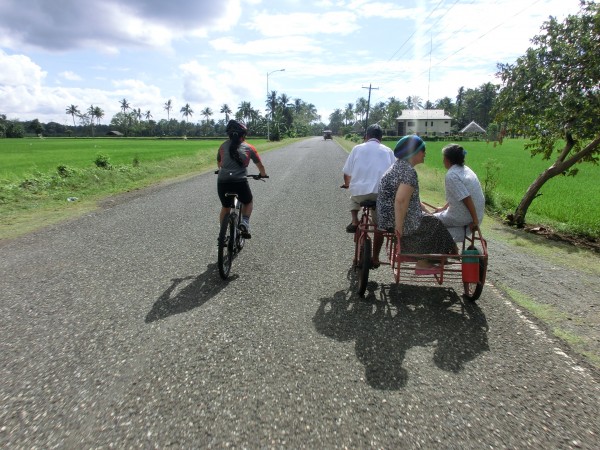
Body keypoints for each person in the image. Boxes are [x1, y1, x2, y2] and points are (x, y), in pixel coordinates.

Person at [377, 135, 457, 270]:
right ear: (415, 152)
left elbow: (412, 200)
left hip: (389, 218)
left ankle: (436, 257)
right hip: (396, 219)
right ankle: (425, 261)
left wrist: (428, 213)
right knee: (436, 224)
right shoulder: (408, 172)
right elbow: (401, 201)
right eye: (423, 150)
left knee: (432, 220)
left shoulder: (398, 167)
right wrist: (399, 229)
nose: (425, 154)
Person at [341, 123, 395, 267]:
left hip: (360, 194)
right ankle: (375, 258)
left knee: (353, 197)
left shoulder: (357, 148)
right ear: (381, 138)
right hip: (381, 195)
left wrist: (347, 185)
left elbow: (347, 172)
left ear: (366, 137)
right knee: (379, 226)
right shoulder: (388, 151)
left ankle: (354, 220)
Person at [216, 120, 267, 239]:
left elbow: (219, 163)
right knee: (248, 202)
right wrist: (262, 174)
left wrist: (222, 169)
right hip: (240, 182)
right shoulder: (249, 148)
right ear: (243, 134)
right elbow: (260, 166)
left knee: (226, 207)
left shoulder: (222, 146)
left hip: (223, 182)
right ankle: (244, 222)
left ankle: (222, 234)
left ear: (228, 134)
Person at [433, 144, 485, 242]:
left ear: (448, 159)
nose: (443, 160)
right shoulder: (466, 170)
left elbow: (466, 197)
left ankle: (445, 246)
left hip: (463, 216)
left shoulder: (451, 175)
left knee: (428, 220)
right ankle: (454, 241)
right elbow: (457, 195)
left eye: (443, 157)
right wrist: (443, 209)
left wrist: (475, 221)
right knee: (440, 221)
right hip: (477, 213)